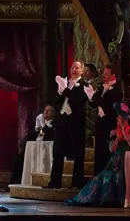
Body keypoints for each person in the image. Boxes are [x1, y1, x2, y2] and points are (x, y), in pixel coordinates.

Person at [65, 99, 130, 206]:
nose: (117, 119)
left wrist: (125, 133)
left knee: (118, 177)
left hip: (128, 165)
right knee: (101, 178)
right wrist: (118, 139)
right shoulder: (114, 132)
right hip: (114, 164)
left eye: (119, 117)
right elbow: (111, 149)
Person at [45, 61, 93, 189]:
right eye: (72, 67)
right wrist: (60, 92)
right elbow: (57, 102)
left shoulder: (84, 85)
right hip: (62, 121)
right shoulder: (65, 82)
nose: (74, 69)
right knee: (58, 151)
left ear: (82, 71)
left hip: (75, 122)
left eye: (77, 68)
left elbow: (78, 100)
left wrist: (65, 90)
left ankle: (77, 182)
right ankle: (54, 182)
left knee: (78, 152)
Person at [89, 65, 122, 175]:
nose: (104, 76)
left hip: (110, 124)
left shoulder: (117, 89)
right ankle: (97, 177)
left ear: (113, 76)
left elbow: (108, 107)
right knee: (99, 153)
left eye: (106, 74)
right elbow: (95, 104)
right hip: (100, 124)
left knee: (107, 153)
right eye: (103, 74)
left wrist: (96, 97)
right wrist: (91, 96)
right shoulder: (102, 87)